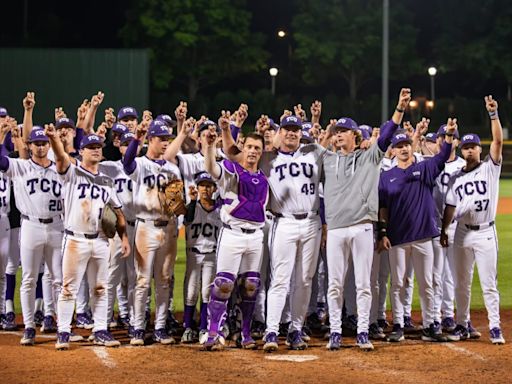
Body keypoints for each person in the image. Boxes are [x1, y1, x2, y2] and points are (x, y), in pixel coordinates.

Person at [320, 89, 410, 351]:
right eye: (336, 131)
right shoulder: (327, 158)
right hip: (336, 228)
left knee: (363, 283)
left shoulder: (369, 157)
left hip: (361, 227)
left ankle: (362, 331)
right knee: (334, 283)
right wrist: (324, 135)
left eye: (343, 131)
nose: (338, 135)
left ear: (354, 135)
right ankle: (335, 331)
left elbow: (388, 133)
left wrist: (400, 108)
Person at [45, 126, 130, 350]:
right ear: (81, 151)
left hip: (101, 241)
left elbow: (118, 212)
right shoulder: (71, 173)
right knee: (68, 288)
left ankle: (100, 329)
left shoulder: (107, 181)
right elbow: (61, 158)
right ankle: (63, 331)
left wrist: (124, 238)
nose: (95, 150)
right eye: (90, 147)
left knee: (100, 287)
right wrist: (55, 139)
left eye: (98, 147)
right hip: (75, 239)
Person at [378, 118, 458, 343]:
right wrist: (383, 233)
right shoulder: (386, 177)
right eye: (399, 145)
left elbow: (442, 157)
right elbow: (382, 207)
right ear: (392, 151)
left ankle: (431, 324)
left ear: (412, 146)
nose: (403, 148)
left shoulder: (424, 168)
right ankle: (399, 325)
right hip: (398, 237)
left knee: (427, 282)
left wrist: (449, 137)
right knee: (398, 283)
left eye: (406, 145)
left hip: (423, 235)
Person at [441, 95, 505, 344]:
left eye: (473, 146)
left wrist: (493, 114)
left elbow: (498, 140)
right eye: (466, 147)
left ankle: (495, 327)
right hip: (462, 233)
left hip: (486, 232)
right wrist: (445, 229)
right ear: (462, 149)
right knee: (462, 283)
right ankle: (461, 324)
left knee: (489, 283)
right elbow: (449, 207)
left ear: (480, 149)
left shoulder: (490, 167)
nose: (469, 150)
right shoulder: (456, 177)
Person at [203, 113, 268, 351]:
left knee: (251, 284)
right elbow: (211, 168)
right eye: (249, 147)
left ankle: (246, 333)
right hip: (232, 233)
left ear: (262, 152)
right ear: (243, 147)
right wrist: (210, 146)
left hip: (256, 235)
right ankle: (213, 332)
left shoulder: (264, 174)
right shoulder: (231, 171)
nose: (252, 151)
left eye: (257, 148)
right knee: (223, 285)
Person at [123, 119, 184, 346]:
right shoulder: (140, 164)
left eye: (168, 139)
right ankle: (138, 327)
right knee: (141, 281)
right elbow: (127, 163)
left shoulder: (173, 169)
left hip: (167, 227)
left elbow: (176, 204)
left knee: (164, 281)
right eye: (162, 139)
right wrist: (136, 138)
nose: (166, 143)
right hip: (145, 226)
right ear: (151, 140)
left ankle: (159, 327)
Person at [99, 132, 137, 333]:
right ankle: (103, 321)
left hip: (138, 227)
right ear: (118, 145)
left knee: (134, 277)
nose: (128, 147)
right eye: (125, 144)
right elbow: (84, 160)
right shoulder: (111, 167)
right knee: (111, 276)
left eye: (132, 143)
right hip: (116, 228)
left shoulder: (142, 166)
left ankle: (132, 319)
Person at [181, 172, 221, 344]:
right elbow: (188, 218)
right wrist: (191, 200)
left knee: (207, 292)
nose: (205, 188)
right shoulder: (191, 207)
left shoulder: (220, 209)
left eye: (208, 185)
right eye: (202, 185)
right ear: (197, 188)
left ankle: (204, 327)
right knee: (191, 292)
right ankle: (188, 327)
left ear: (214, 188)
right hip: (194, 254)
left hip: (211, 255)